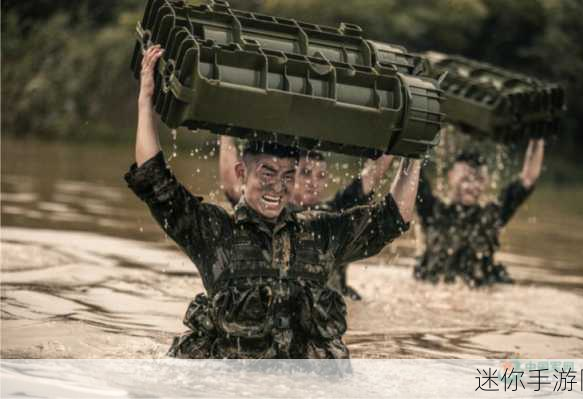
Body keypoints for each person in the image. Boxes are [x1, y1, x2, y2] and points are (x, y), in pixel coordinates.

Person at [125, 44, 422, 358]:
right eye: (267, 172)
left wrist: (412, 155)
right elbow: (155, 180)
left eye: (288, 175)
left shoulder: (319, 234)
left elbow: (393, 219)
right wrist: (145, 100)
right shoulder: (215, 232)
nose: (278, 187)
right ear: (242, 172)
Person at [219, 135, 394, 301]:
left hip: (332, 297)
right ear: (290, 174)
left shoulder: (334, 214)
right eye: (306, 173)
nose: (313, 183)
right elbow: (232, 187)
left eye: (321, 176)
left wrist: (403, 141)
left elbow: (373, 174)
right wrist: (226, 134)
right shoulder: (265, 210)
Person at [414, 138, 545, 287]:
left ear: (486, 182)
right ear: (450, 176)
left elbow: (527, 180)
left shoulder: (492, 216)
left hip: (479, 292)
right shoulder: (431, 211)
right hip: (433, 291)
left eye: (478, 179)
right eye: (465, 179)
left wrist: (537, 139)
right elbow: (414, 173)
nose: (471, 186)